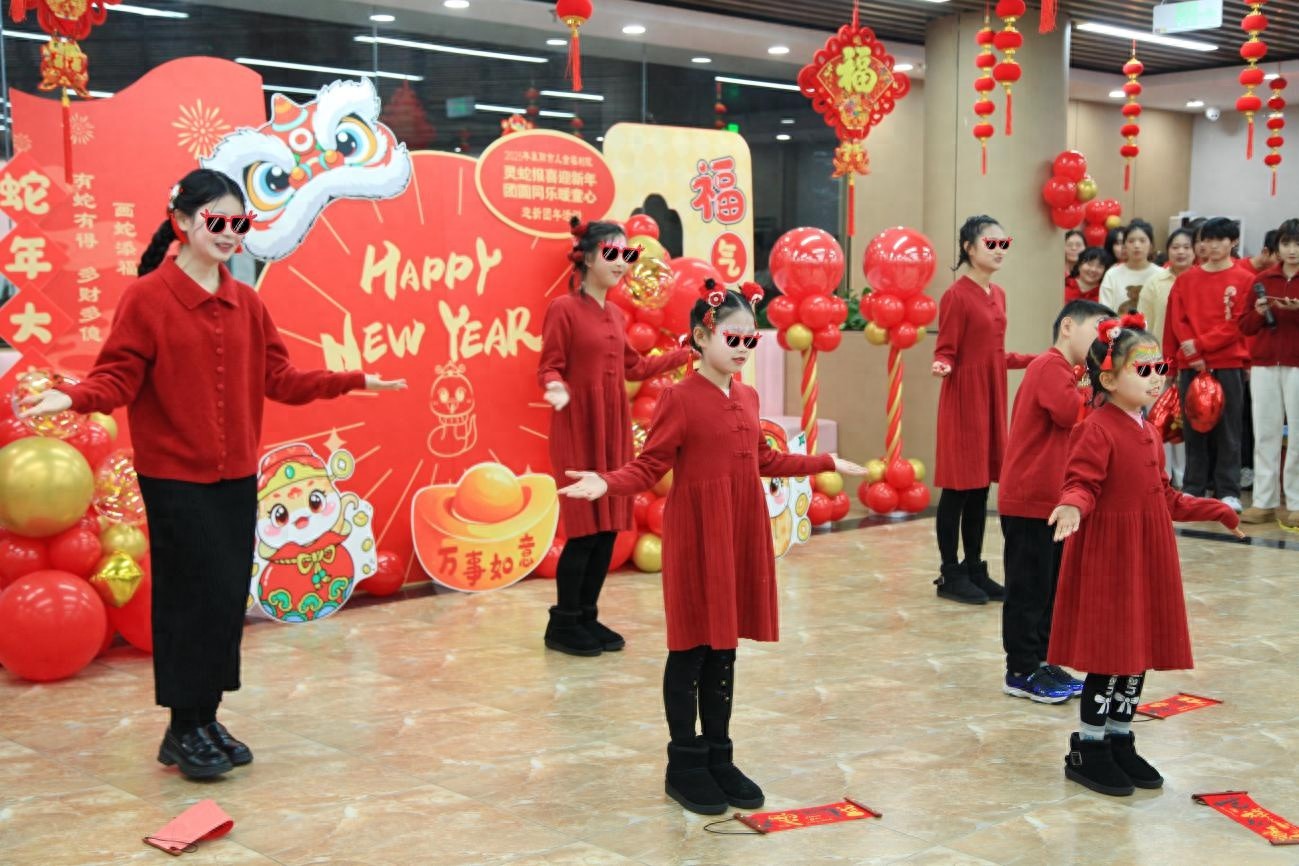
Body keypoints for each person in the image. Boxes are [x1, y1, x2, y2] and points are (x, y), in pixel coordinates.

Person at [19, 169, 406, 780]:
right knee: (188, 600)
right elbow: (118, 375)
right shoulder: (148, 298)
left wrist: (351, 380)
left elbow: (281, 379)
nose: (230, 232)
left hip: (235, 476)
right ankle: (183, 725)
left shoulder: (246, 302)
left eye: (240, 222)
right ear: (183, 222)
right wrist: (73, 396)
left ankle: (203, 717)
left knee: (225, 599)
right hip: (175, 478)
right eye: (217, 220)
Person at [557, 284, 866, 815]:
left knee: (724, 647)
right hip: (698, 534)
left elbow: (764, 460)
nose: (743, 347)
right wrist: (606, 482)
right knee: (692, 646)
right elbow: (649, 467)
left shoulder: (747, 397)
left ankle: (720, 756)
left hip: (738, 529)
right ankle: (684, 763)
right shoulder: (678, 398)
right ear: (701, 337)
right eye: (732, 337)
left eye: (751, 339)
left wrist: (823, 463)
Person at [1047, 319, 1243, 796]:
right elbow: (1082, 482)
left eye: (1161, 366)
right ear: (1109, 378)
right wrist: (1072, 505)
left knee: (1136, 655)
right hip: (1112, 557)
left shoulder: (1150, 432)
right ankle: (1088, 748)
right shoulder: (1096, 429)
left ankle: (1120, 739)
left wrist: (1216, 510)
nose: (1157, 377)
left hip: (1146, 554)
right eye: (1144, 369)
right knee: (1110, 654)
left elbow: (1166, 497)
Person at [537, 218, 692, 657]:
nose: (621, 262)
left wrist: (684, 354)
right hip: (577, 430)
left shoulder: (616, 315)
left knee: (607, 530)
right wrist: (555, 387)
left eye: (627, 254)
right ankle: (563, 623)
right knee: (585, 531)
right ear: (588, 258)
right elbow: (549, 365)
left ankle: (587, 616)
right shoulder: (563, 308)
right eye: (612, 253)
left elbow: (635, 367)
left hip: (613, 432)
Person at [998, 299, 1114, 705]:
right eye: (1099, 329)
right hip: (1030, 499)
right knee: (1028, 589)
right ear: (1068, 327)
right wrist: (1097, 383)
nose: (1103, 341)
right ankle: (1020, 670)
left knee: (1049, 589)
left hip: (1052, 501)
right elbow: (1068, 413)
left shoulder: (1068, 372)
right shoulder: (1049, 366)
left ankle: (1042, 662)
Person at [931, 215, 1034, 605]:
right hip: (963, 399)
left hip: (990, 395)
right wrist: (942, 363)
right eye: (991, 243)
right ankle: (950, 572)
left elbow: (994, 354)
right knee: (958, 488)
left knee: (979, 488)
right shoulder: (956, 295)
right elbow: (947, 349)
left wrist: (1035, 360)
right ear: (968, 248)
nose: (999, 250)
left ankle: (974, 567)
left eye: (1003, 243)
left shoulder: (999, 294)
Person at [1164, 217, 1253, 511]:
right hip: (1191, 364)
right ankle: (1193, 487)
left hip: (1228, 363)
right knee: (1193, 429)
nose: (1212, 246)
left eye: (1220, 240)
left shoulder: (1245, 279)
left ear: (1233, 242)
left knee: (1229, 429)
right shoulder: (1186, 280)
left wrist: (1201, 345)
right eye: (1207, 240)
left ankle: (1228, 490)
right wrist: (1182, 360)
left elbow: (1239, 324)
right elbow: (1176, 322)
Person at [1239, 218, 1299, 526]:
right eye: (1286, 243)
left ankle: (1296, 501)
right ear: (1277, 247)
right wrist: (1260, 312)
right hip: (1264, 363)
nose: (1292, 250)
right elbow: (1245, 325)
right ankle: (1264, 501)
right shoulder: (1263, 279)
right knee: (1265, 433)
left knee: (1298, 434)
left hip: (1297, 364)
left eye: (1297, 244)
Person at [1139, 228, 1196, 487]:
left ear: (1194, 250)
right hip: (1157, 361)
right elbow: (1144, 324)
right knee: (1160, 420)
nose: (1181, 252)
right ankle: (1163, 476)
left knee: (1185, 420)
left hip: (1192, 360)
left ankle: (1186, 477)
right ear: (1167, 250)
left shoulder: (1199, 280)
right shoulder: (1155, 283)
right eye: (1175, 247)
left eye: (1186, 247)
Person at [1100, 219, 1162, 314]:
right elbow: (1104, 312)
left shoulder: (1161, 275)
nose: (1136, 245)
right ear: (1124, 246)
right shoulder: (1112, 274)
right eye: (1131, 241)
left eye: (1142, 241)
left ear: (1151, 245)